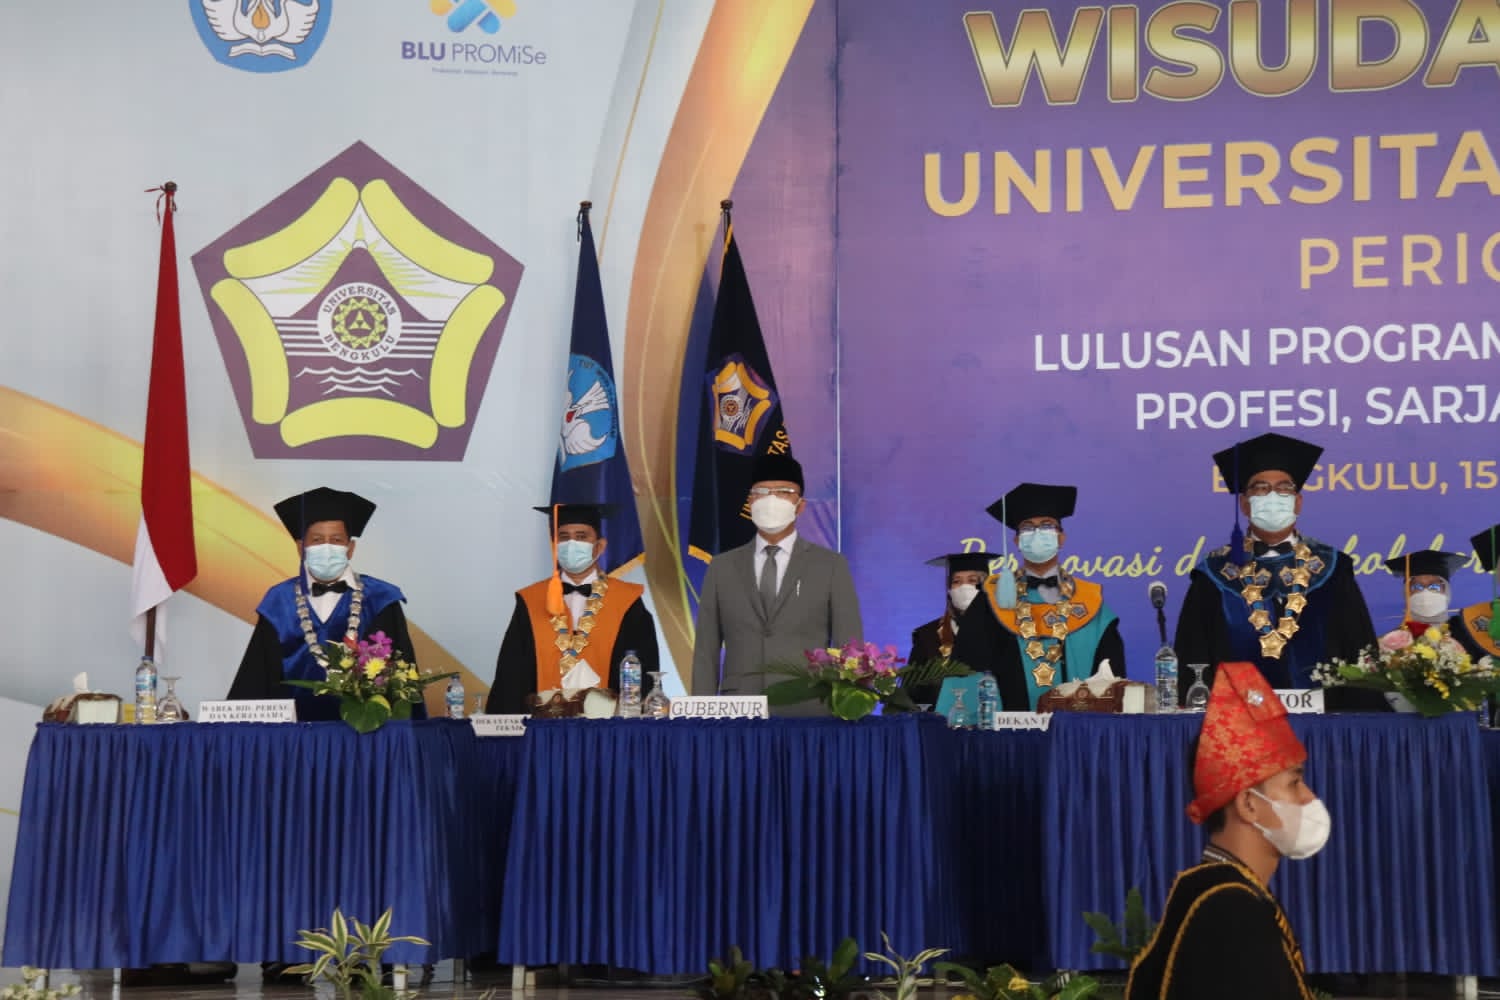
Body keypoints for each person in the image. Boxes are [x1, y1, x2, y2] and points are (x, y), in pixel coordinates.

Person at [1125, 661, 1327, 1000]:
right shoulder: (1231, 912)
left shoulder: (1213, 889)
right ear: (1248, 804)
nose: (1309, 797)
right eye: (1294, 783)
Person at [1173, 432, 1379, 709]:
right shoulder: (1214, 574)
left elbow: (1358, 650)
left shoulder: (1333, 568)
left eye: (1284, 489)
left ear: (1298, 502)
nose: (1273, 497)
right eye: (1261, 489)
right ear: (1244, 504)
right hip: (1238, 722)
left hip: (1327, 719)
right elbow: (1193, 659)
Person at [227, 487, 423, 722]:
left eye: (336, 540)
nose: (327, 548)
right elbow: (257, 679)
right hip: (293, 736)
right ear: (301, 547)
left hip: (365, 734)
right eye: (317, 540)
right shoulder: (279, 601)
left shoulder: (380, 599)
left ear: (350, 549)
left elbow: (401, 681)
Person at [690, 453, 863, 713]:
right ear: (750, 501)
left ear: (800, 505)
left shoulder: (830, 566)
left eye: (783, 492)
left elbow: (849, 645)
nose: (771, 500)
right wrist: (700, 713)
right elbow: (706, 649)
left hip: (809, 708)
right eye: (762, 492)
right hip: (739, 710)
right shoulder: (722, 567)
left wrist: (849, 710)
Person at [950, 482, 1124, 711]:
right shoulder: (991, 599)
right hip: (1008, 728)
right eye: (1027, 528)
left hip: (1077, 727)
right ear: (1017, 542)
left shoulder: (1090, 600)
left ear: (1061, 538)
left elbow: (1111, 674)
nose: (1037, 533)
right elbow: (969, 667)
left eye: (1047, 525)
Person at [487, 503, 659, 713]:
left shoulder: (627, 601)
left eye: (581, 536)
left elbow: (642, 673)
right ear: (555, 545)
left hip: (607, 726)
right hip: (541, 725)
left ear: (600, 546)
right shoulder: (531, 600)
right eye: (564, 537)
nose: (571, 544)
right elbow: (512, 675)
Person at [907, 551, 995, 707]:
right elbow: (910, 695)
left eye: (972, 580)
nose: (964, 588)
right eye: (956, 581)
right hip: (940, 719)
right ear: (949, 588)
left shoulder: (1004, 633)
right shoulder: (926, 636)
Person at [1384, 550, 1467, 637]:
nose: (1425, 593)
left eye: (1434, 587)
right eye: (1416, 587)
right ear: (1406, 593)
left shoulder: (1466, 636)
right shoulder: (1392, 641)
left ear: (1446, 591)